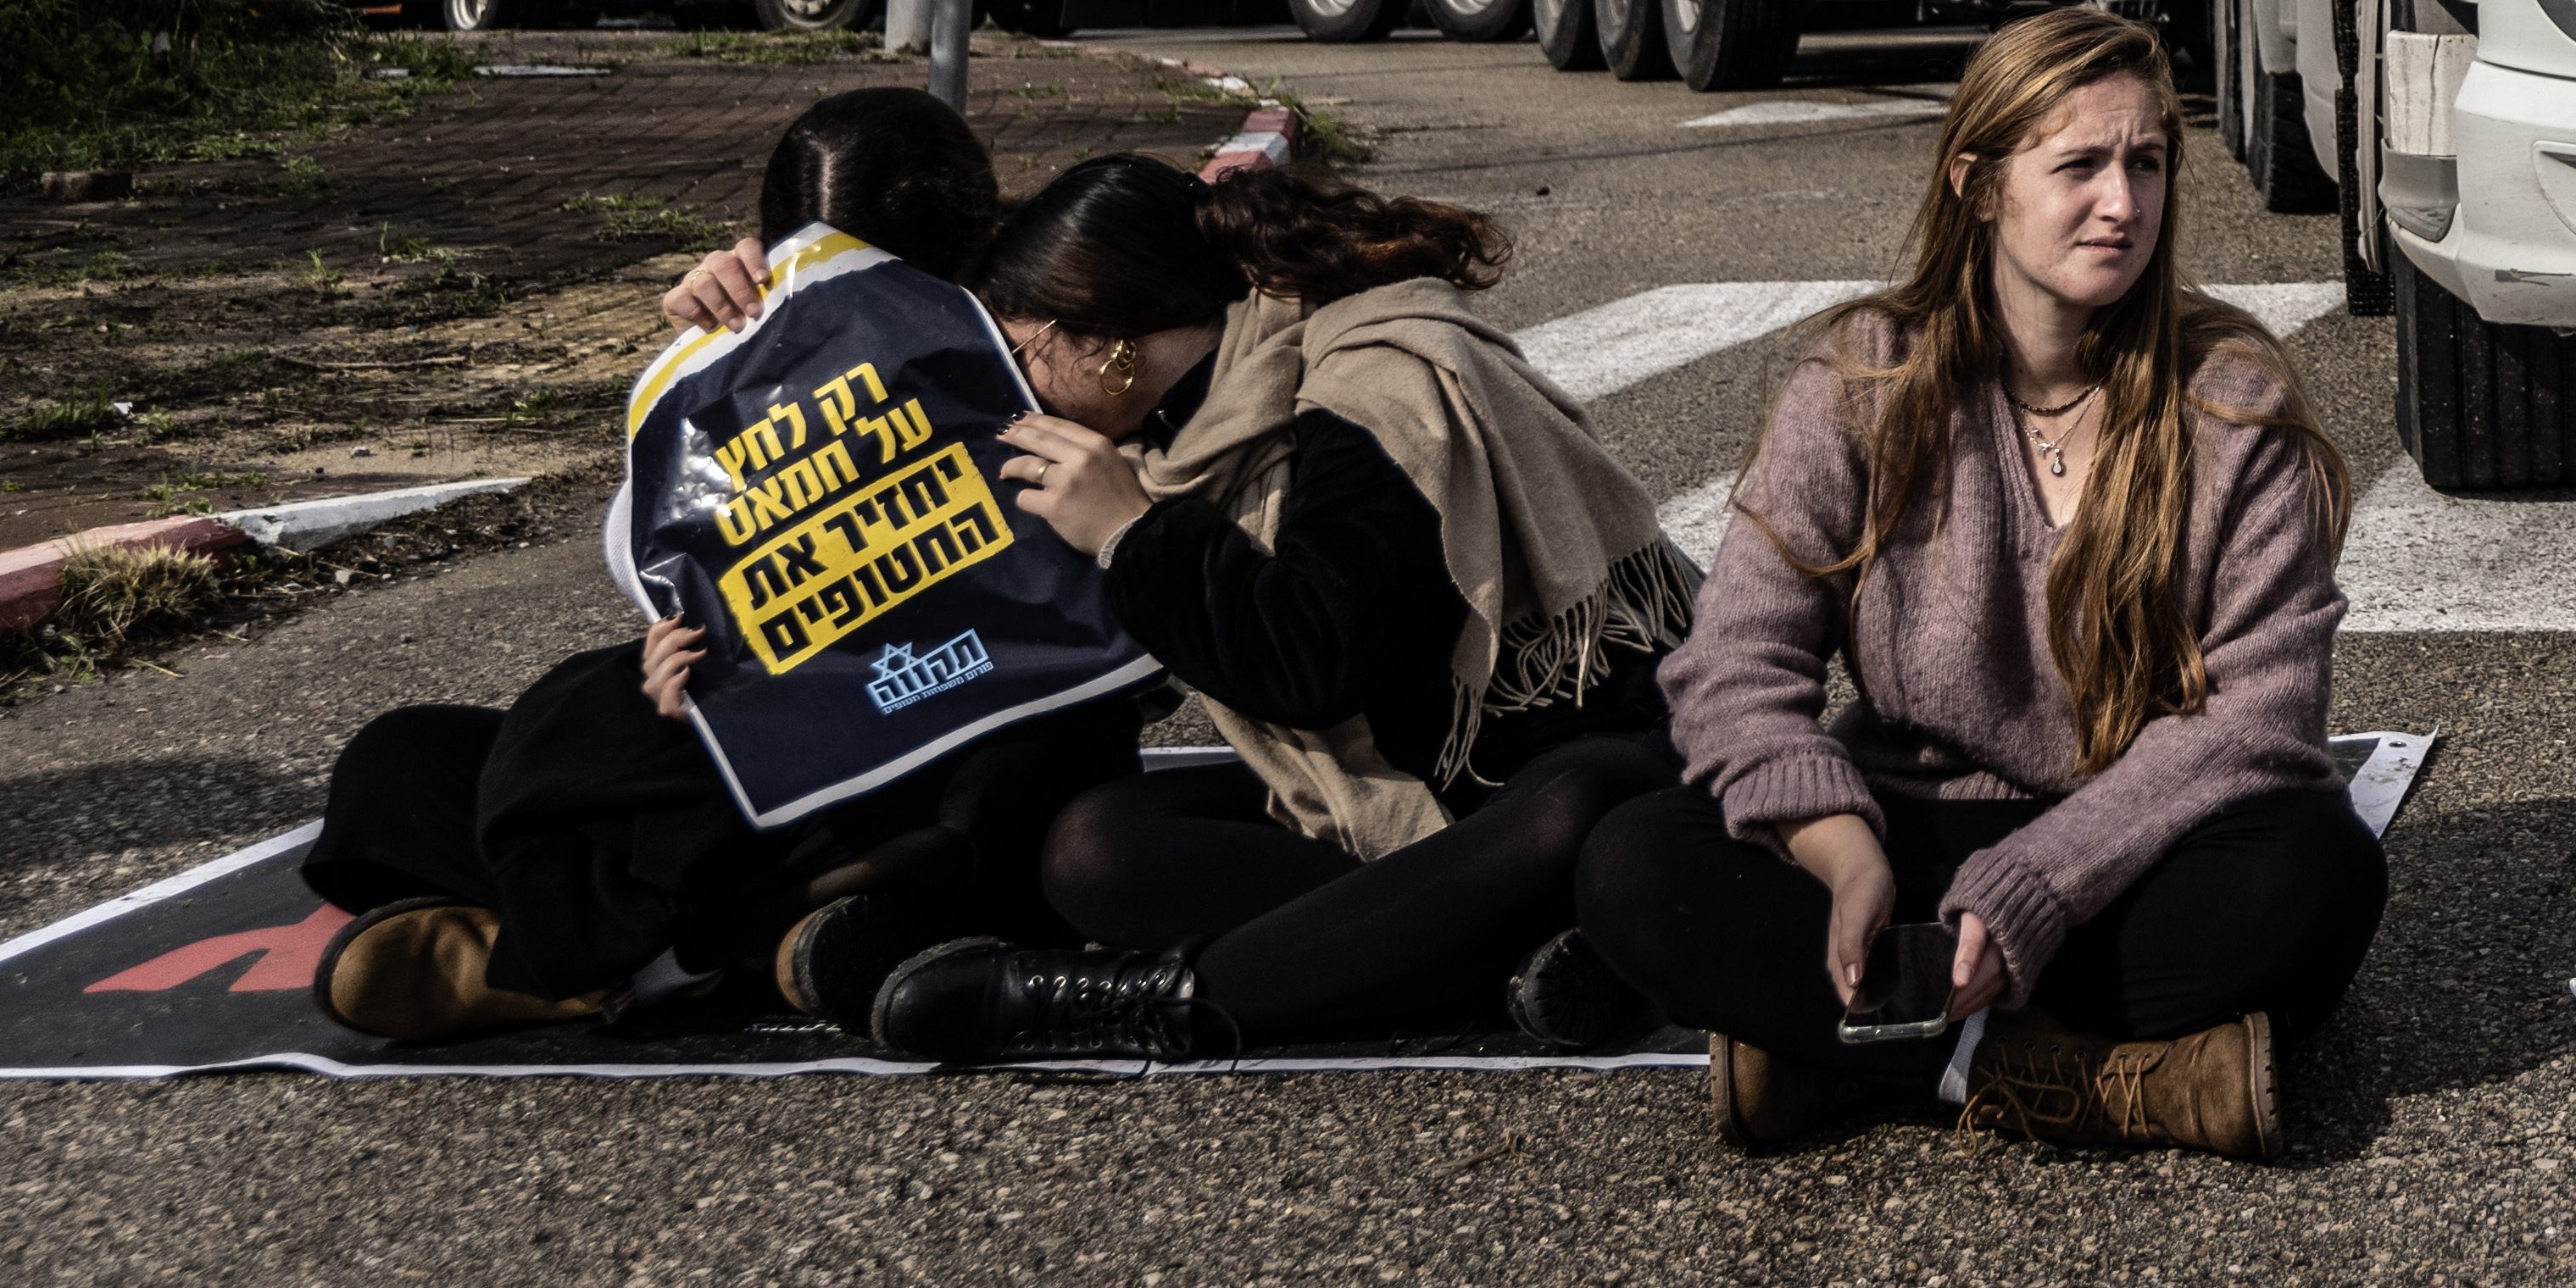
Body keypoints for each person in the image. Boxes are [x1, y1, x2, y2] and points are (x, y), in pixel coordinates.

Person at [1572, 8, 2375, 1158]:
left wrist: (2039, 887)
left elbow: (2261, 718)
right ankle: (2097, 1082)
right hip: (1908, 840)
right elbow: (1733, 667)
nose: (2123, 203)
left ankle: (1857, 1062)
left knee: (2321, 873)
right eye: (2081, 166)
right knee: (1633, 864)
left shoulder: (2228, 397)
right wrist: (1840, 849)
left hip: (2131, 847)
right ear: (1979, 184)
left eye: (2146, 163)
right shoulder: (1862, 381)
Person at [300, 88, 1143, 1041]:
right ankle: (774, 943)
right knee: (403, 761)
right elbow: (667, 570)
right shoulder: (748, 344)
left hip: (946, 742)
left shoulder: (1044, 338)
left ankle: (631, 957)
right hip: (778, 749)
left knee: (1030, 781)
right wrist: (709, 367)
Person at [855, 148, 1702, 1064]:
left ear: (1105, 343)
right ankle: (1471, 952)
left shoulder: (1376, 385)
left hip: (1539, 755)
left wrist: (1135, 538)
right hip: (1396, 790)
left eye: (1021, 355)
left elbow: (1310, 666)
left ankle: (1151, 1004)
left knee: (1580, 812)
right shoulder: (1182, 433)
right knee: (1098, 845)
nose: (1013, 391)